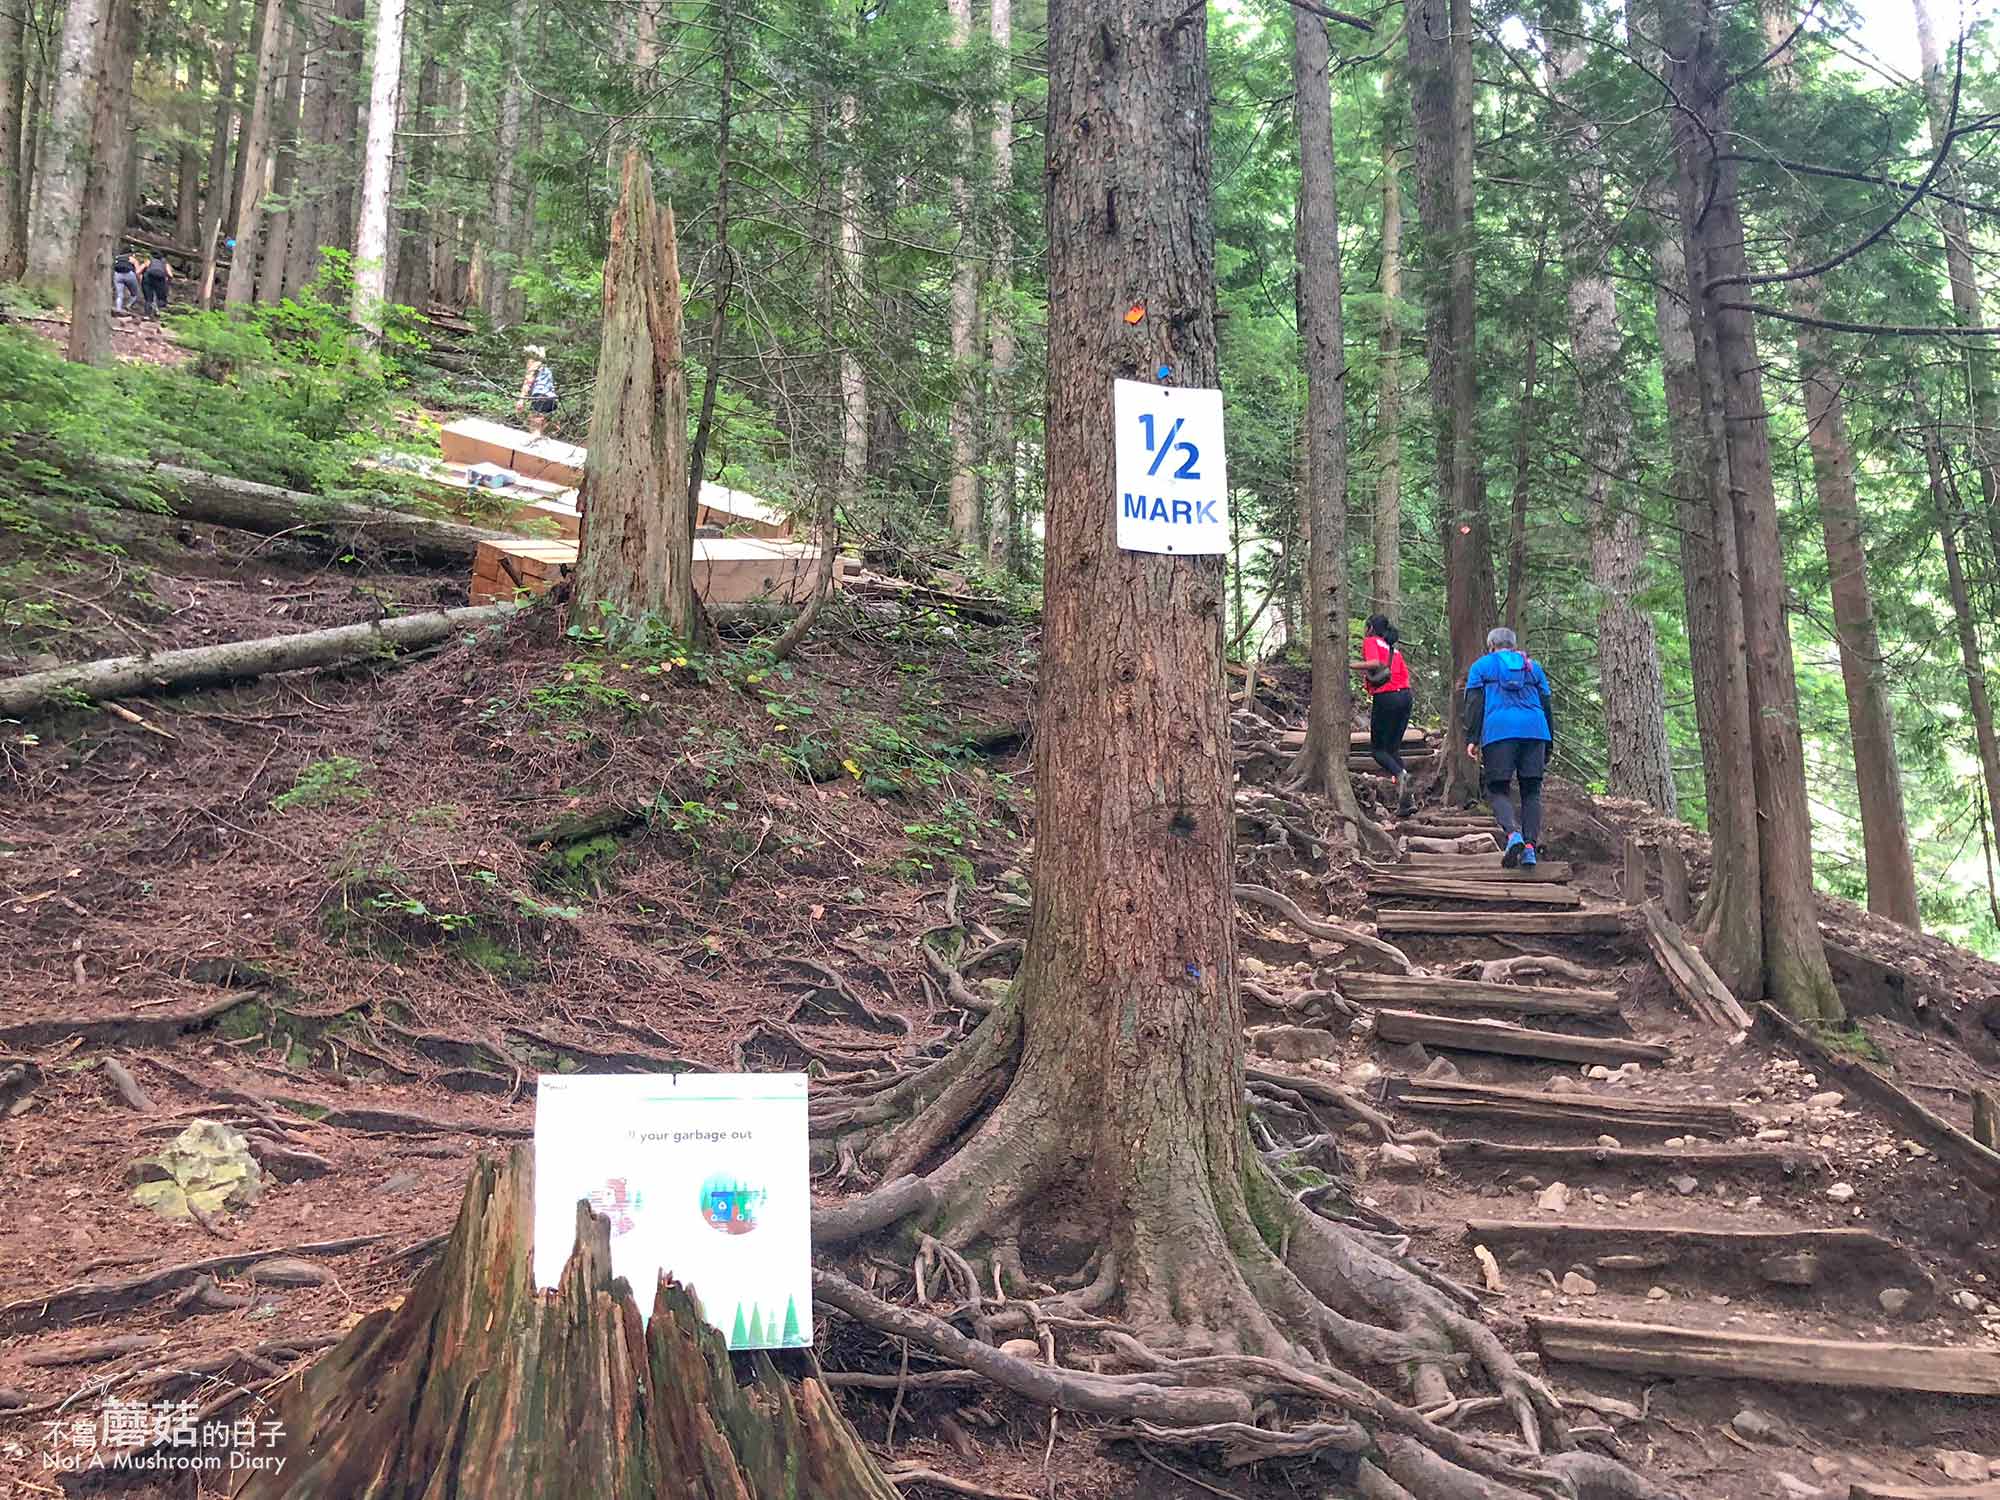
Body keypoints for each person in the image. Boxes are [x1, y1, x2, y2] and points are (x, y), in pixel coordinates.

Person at [1464, 625, 1555, 868]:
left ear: (1491, 645)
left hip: (1499, 731)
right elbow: (1546, 704)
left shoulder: (1482, 667)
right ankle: (1529, 848)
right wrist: (1549, 741)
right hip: (1535, 732)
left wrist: (1471, 738)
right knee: (1531, 791)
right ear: (1513, 646)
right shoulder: (1532, 668)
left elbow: (1474, 704)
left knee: (1497, 788)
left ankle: (1512, 834)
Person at [1354, 613, 1415, 815]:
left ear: (1370, 627)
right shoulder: (1393, 649)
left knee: (1378, 750)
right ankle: (1407, 802)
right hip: (1405, 697)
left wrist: (1349, 664)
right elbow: (1403, 675)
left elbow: (1373, 663)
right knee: (1393, 749)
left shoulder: (1372, 641)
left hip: (1387, 697)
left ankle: (1401, 775)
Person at [516, 346, 556, 435]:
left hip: (540, 396)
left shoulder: (534, 367)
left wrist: (521, 400)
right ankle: (547, 428)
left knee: (535, 421)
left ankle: (535, 437)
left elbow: (528, 383)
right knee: (536, 418)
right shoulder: (546, 369)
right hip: (551, 398)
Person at [140, 253, 172, 318]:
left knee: (148, 299)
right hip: (160, 281)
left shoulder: (149, 261)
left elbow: (138, 271)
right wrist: (168, 283)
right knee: (160, 298)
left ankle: (147, 315)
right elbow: (170, 275)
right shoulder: (165, 263)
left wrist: (141, 280)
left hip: (148, 280)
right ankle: (160, 315)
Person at [112, 250, 140, 316]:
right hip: (129, 274)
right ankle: (128, 305)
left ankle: (118, 309)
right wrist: (138, 280)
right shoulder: (132, 259)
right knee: (134, 294)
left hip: (118, 275)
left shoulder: (117, 258)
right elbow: (138, 271)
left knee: (119, 294)